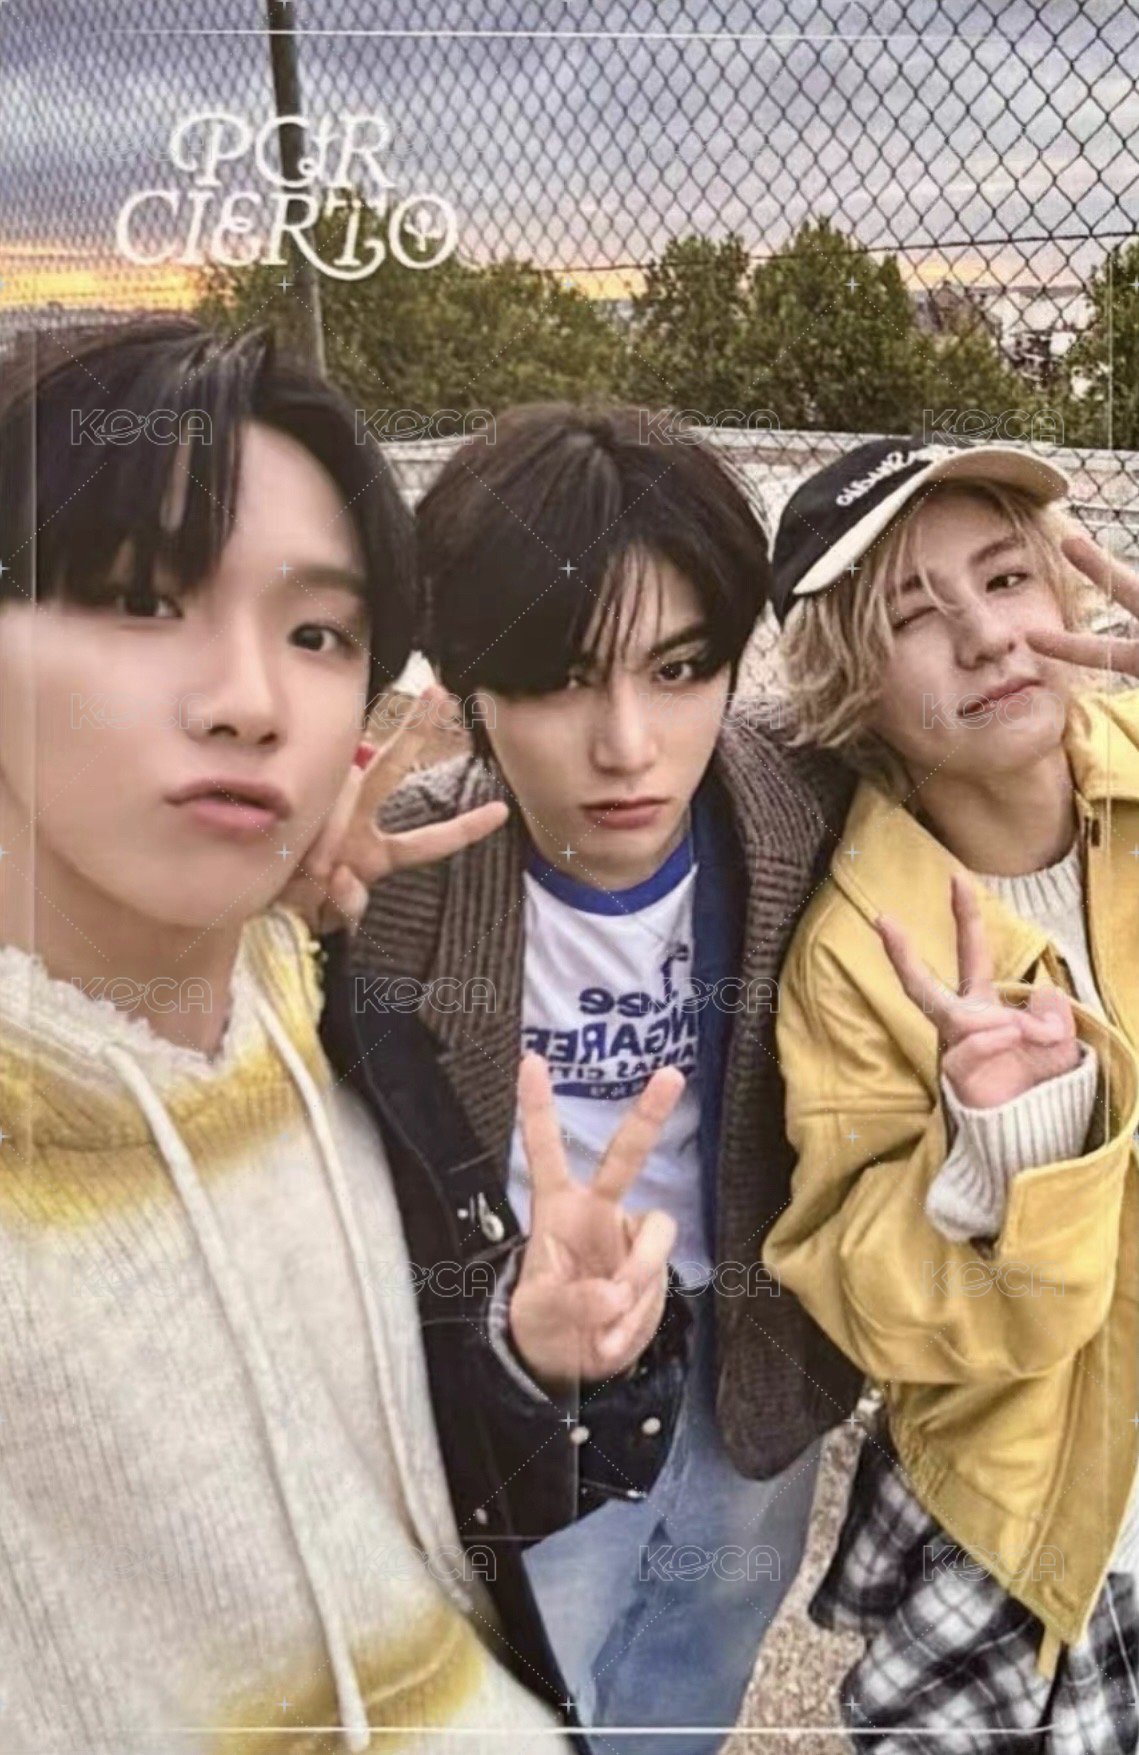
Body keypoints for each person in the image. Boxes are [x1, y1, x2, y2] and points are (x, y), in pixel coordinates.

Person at [0, 318, 692, 1755]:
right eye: (138, 599)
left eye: (316, 634)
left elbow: (415, 1489)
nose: (251, 703)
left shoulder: (334, 1030)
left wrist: (526, 1350)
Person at [355, 403, 864, 1751]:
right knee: (528, 1702)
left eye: (681, 667)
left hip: (751, 1376)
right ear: (468, 679)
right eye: (560, 679)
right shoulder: (389, 884)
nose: (629, 744)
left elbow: (1017, 777)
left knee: (689, 1690)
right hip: (522, 1388)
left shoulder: (806, 810)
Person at [762, 433, 1139, 1751]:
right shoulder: (858, 956)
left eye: (1007, 579)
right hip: (1048, 1523)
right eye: (914, 618)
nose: (987, 639)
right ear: (848, 688)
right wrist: (1004, 1150)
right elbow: (872, 1300)